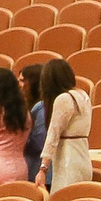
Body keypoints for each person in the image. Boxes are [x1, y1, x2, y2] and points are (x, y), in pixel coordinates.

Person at [37, 59, 92, 190]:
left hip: (67, 160)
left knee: (62, 197)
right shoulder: (83, 95)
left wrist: (43, 169)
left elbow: (53, 134)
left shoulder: (63, 99)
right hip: (83, 157)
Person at [21, 64, 48, 183]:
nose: (21, 85)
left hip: (39, 169)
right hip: (32, 167)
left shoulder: (42, 107)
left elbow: (39, 141)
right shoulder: (28, 106)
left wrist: (16, 142)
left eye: (23, 81)